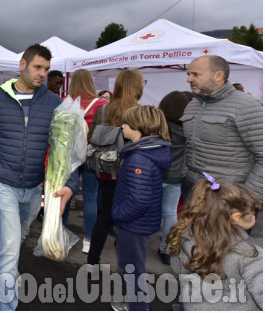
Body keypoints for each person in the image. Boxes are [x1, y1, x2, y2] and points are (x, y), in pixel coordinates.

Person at [0, 44, 79, 311]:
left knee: (17, 237)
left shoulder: (53, 103)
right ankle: (4, 306)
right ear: (22, 65)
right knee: (10, 246)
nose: (42, 74)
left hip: (35, 187)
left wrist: (71, 184)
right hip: (2, 182)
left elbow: (66, 150)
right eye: (37, 67)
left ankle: (8, 273)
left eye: (46, 69)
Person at [167, 178, 262, 311]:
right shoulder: (250, 255)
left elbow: (178, 269)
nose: (255, 216)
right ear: (236, 217)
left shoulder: (186, 236)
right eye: (254, 213)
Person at [111, 105, 171, 311]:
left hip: (134, 225)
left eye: (125, 123)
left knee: (132, 270)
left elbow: (139, 201)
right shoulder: (148, 151)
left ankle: (138, 307)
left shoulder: (139, 158)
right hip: (140, 224)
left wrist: (117, 214)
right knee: (132, 267)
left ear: (138, 127)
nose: (122, 126)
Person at [182, 55, 262, 200]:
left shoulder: (247, 106)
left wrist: (247, 199)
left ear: (218, 75)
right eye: (188, 74)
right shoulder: (192, 105)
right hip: (195, 192)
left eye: (195, 74)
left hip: (230, 198)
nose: (189, 79)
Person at [87, 68, 145, 267]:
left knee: (105, 214)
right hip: (132, 171)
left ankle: (92, 260)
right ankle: (126, 261)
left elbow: (91, 136)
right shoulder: (141, 112)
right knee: (129, 215)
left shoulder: (104, 109)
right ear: (137, 86)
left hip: (105, 167)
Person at [62, 69, 108, 254]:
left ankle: (61, 235)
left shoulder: (67, 103)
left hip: (70, 155)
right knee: (90, 197)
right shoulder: (102, 104)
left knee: (66, 194)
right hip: (92, 155)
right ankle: (88, 240)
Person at [156, 90, 192, 265]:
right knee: (170, 213)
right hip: (176, 177)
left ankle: (136, 242)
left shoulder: (159, 126)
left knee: (147, 211)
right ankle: (166, 250)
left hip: (155, 175)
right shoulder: (188, 129)